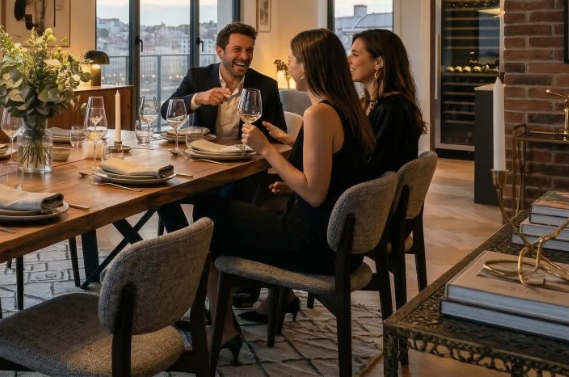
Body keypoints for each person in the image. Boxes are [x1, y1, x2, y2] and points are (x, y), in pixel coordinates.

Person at [203, 28, 376, 350]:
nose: (289, 65)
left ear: (307, 67)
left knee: (209, 220)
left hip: (316, 245)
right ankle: (262, 300)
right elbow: (333, 175)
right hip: (341, 244)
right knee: (248, 206)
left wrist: (266, 149)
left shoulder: (319, 113)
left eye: (293, 59)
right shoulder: (348, 108)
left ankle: (224, 328)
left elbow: (314, 193)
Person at [156, 23, 287, 233]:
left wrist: (255, 138)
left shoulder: (266, 86)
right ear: (220, 51)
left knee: (224, 196)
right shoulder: (198, 77)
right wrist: (198, 98)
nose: (244, 56)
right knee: (160, 191)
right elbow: (166, 111)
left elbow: (278, 135)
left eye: (249, 50)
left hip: (242, 172)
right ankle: (185, 246)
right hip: (200, 167)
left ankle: (207, 247)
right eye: (237, 49)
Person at [347, 29, 426, 176]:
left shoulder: (392, 108)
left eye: (355, 54)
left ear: (378, 62)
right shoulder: (371, 103)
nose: (348, 59)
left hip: (374, 195)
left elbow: (374, 167)